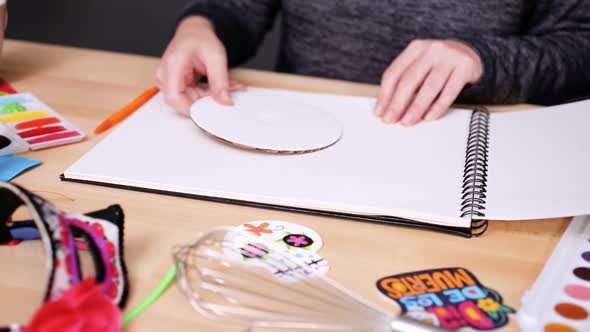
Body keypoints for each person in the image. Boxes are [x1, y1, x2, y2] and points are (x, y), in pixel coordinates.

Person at [157, 1, 590, 126]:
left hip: (461, 151)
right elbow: (238, 9)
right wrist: (200, 25)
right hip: (291, 138)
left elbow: (580, 46)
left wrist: (487, 59)